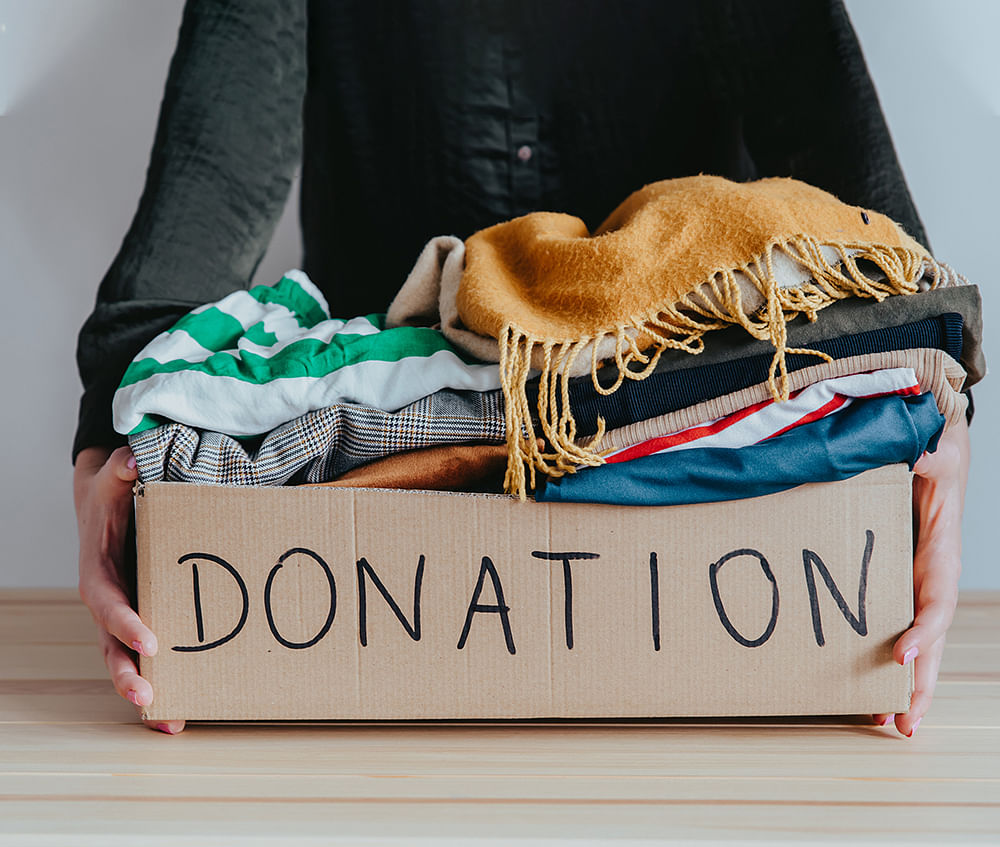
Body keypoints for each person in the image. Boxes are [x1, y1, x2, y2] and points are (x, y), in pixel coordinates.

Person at [73, 0, 971, 736]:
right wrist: (109, 447)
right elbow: (217, 169)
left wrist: (939, 415)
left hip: (714, 490)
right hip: (372, 537)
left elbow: (856, 201)